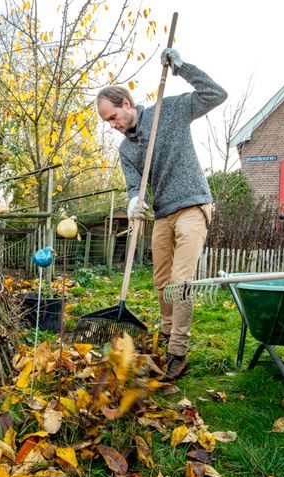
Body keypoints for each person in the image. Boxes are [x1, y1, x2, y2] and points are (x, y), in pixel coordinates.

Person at [96, 49, 227, 380]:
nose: (112, 126)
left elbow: (215, 94)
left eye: (112, 117)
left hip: (194, 204)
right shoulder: (127, 149)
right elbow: (132, 187)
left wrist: (182, 67)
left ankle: (177, 353)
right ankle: (167, 334)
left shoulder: (168, 111)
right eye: (106, 122)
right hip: (163, 212)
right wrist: (131, 203)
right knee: (161, 283)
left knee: (181, 283)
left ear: (126, 103)